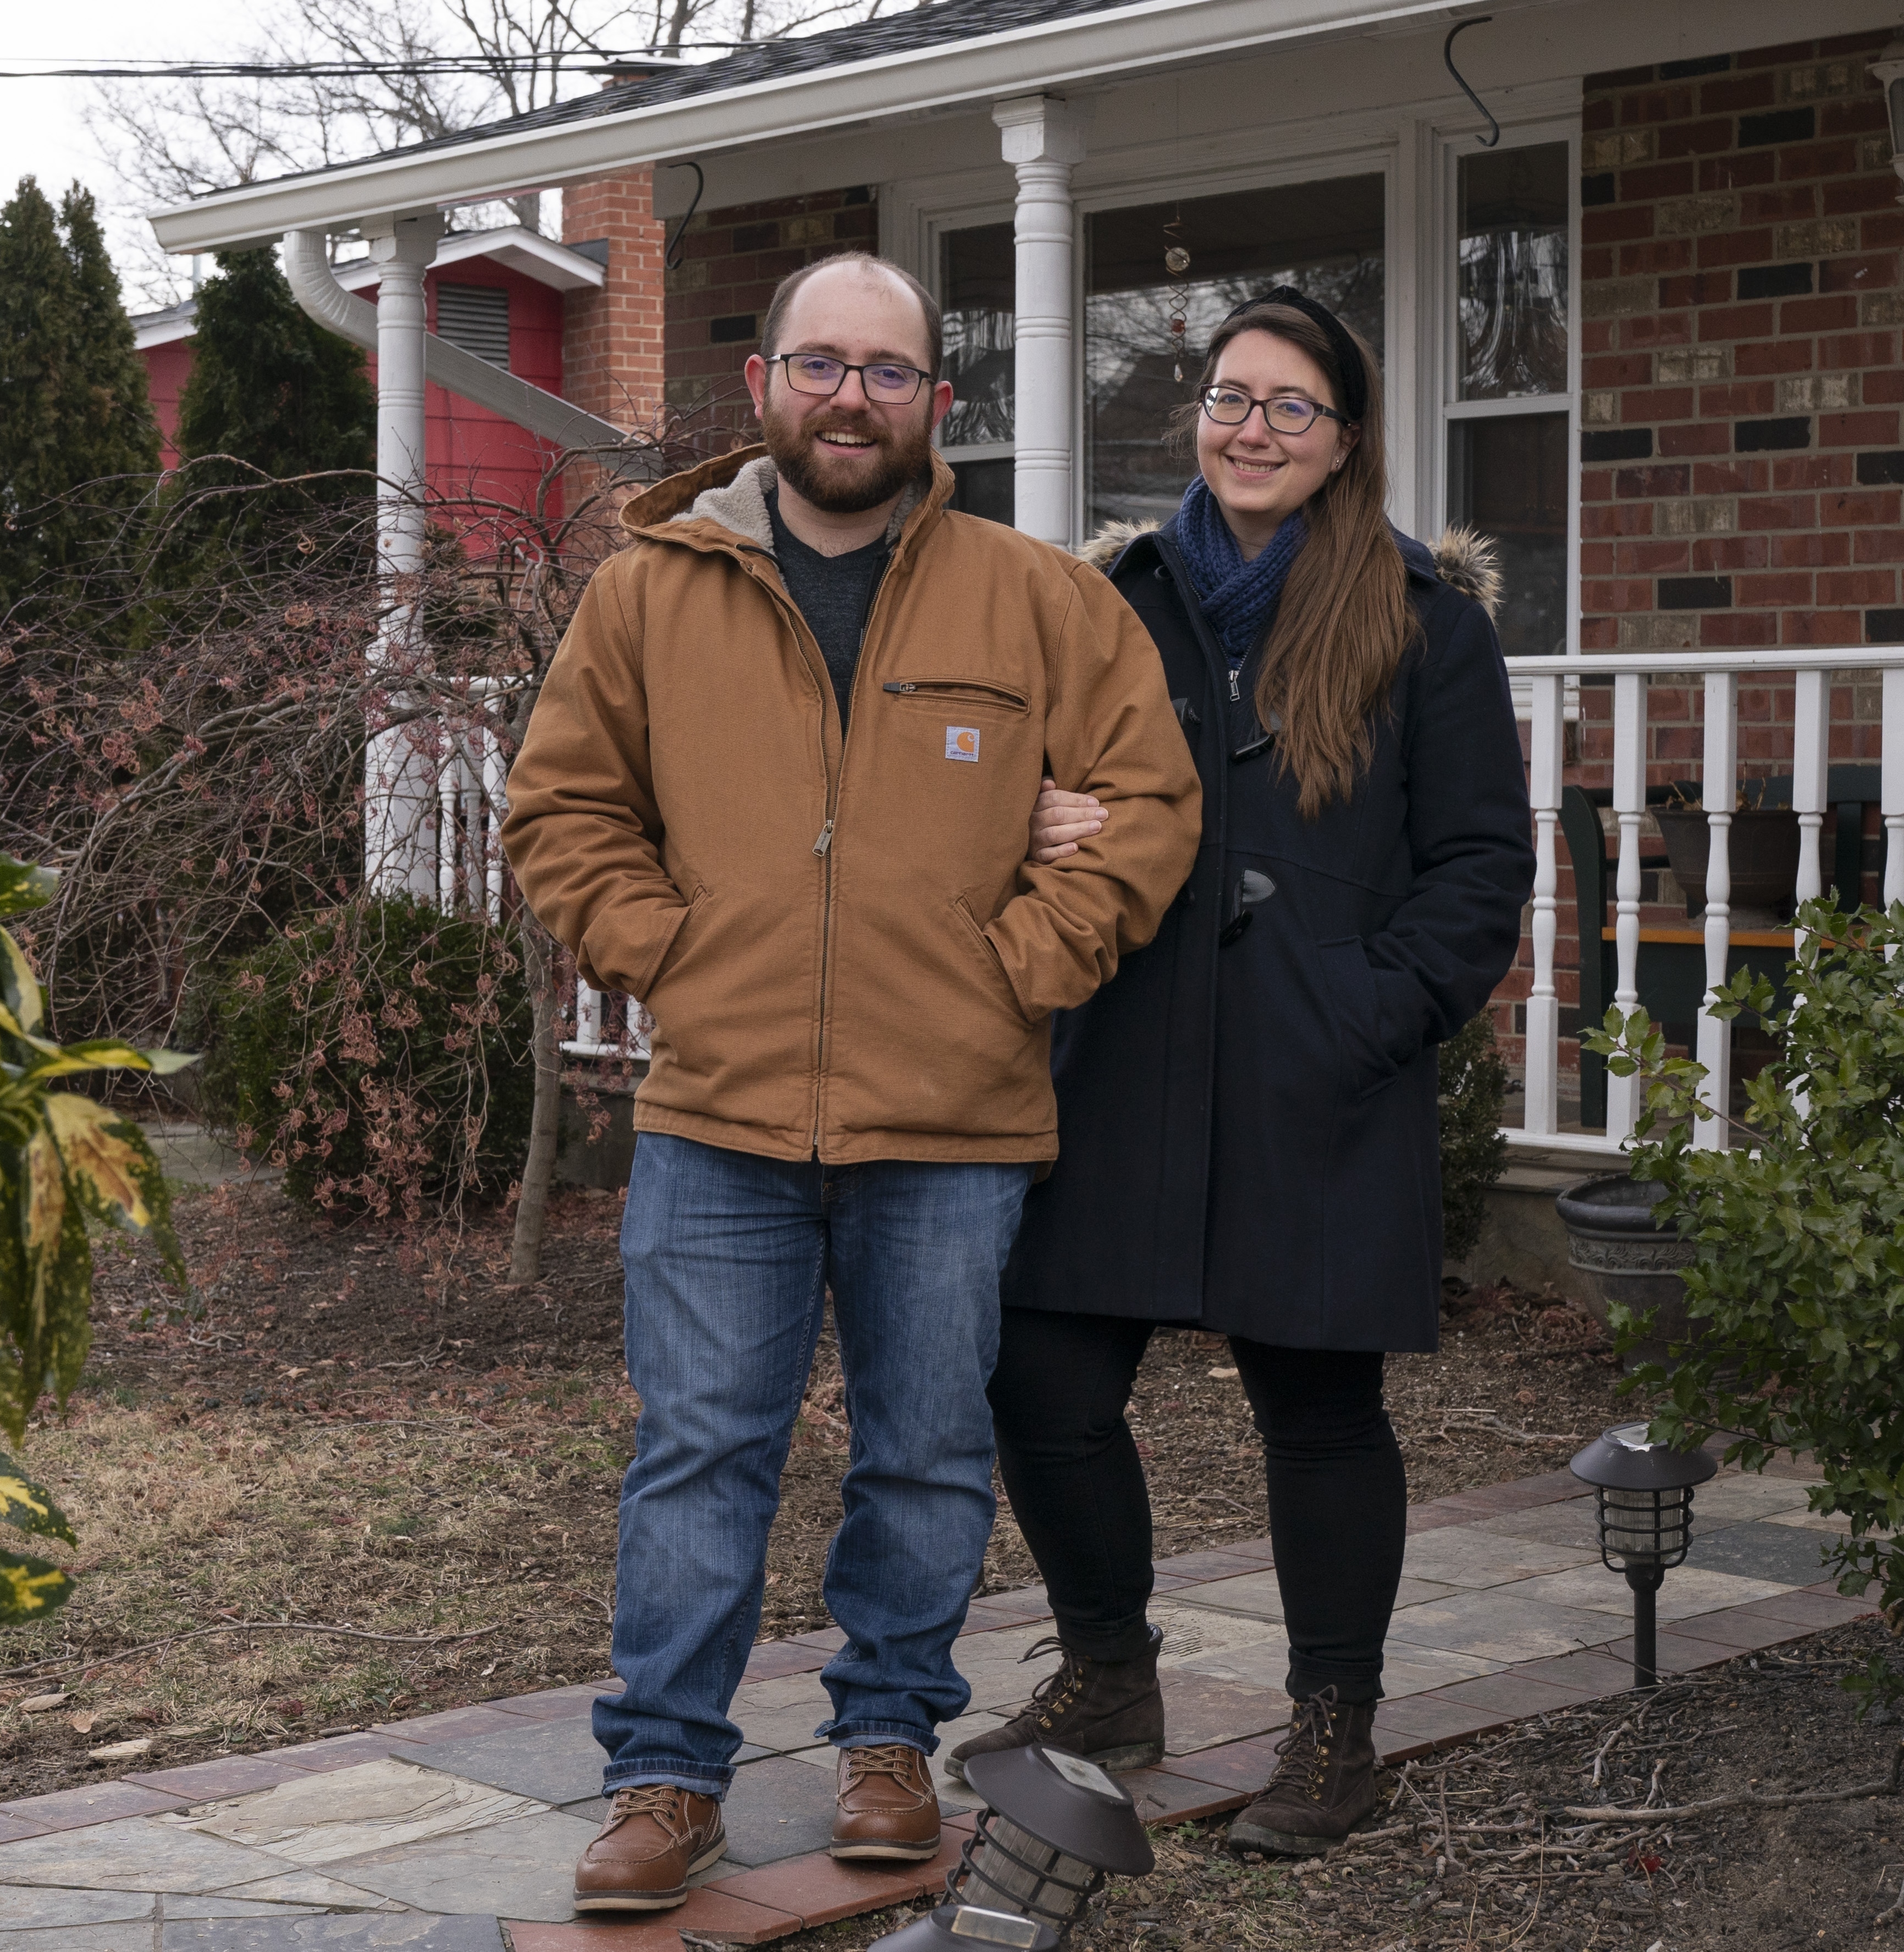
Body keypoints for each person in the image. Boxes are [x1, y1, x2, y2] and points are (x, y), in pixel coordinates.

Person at [501, 251, 1202, 1915]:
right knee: (700, 1454)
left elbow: (1150, 802)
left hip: (951, 1120)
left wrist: (1024, 963)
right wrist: (663, 947)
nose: (851, 399)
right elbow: (560, 810)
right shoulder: (651, 590)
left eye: (888, 373)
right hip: (719, 1116)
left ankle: (889, 1743)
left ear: (934, 405)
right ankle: (665, 1777)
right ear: (761, 384)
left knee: (926, 1451)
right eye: (822, 365)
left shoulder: (1032, 598)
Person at [948, 287, 1536, 1856]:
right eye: (1229, 396)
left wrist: (1366, 1014)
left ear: (1346, 442)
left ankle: (1335, 1731)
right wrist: (1032, 823)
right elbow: (1001, 781)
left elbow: (1482, 866)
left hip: (1315, 1067)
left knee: (1322, 1412)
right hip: (1120, 1048)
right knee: (1042, 1376)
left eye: (1291, 406)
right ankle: (1110, 1673)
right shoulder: (1111, 599)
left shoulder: (1425, 620)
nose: (1251, 429)